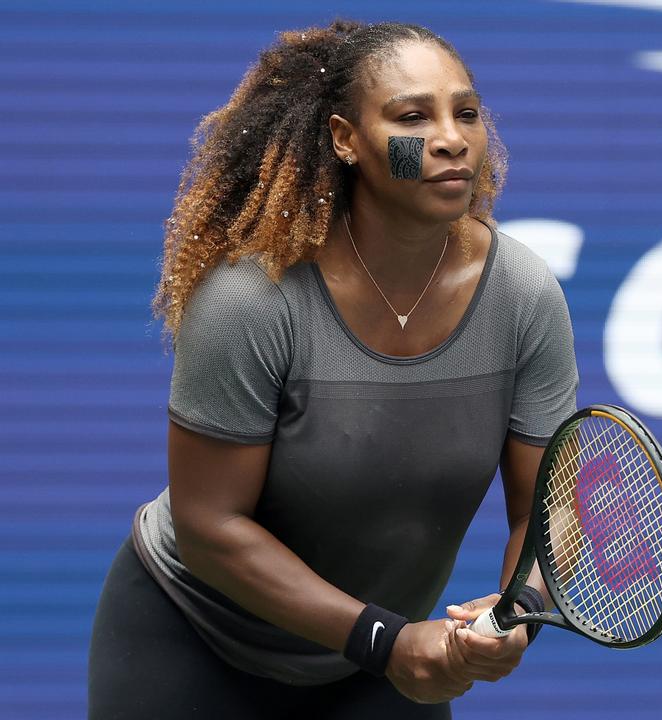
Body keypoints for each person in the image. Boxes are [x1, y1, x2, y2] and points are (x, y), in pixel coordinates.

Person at [87, 20, 578, 719]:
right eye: (413, 116)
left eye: (465, 113)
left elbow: (545, 507)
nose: (451, 138)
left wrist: (520, 612)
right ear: (347, 140)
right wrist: (387, 641)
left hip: (379, 664)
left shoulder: (523, 296)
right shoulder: (252, 301)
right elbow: (209, 526)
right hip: (194, 643)